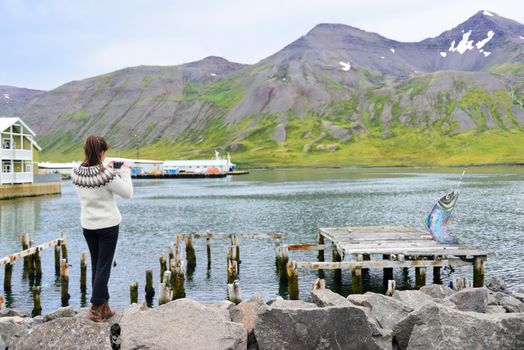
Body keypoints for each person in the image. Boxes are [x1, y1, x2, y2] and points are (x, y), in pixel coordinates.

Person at [72, 135, 133, 322]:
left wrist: (105, 168)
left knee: (97, 265)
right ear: (101, 152)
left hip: (88, 226)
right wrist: (125, 173)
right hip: (108, 225)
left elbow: (91, 177)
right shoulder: (106, 175)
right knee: (104, 266)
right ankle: (95, 307)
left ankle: (105, 308)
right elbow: (127, 193)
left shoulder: (75, 172)